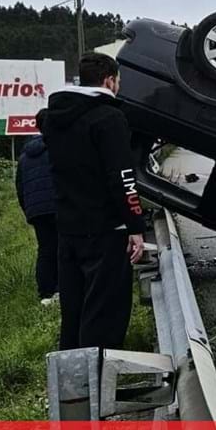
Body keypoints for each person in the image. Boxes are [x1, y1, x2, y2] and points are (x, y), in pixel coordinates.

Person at [37, 53, 146, 350]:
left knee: (73, 310)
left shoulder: (54, 118)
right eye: (118, 81)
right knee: (104, 311)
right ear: (110, 80)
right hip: (106, 230)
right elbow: (122, 177)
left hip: (68, 230)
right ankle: (98, 381)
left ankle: (73, 387)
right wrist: (135, 225)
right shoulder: (109, 117)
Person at [15, 135, 59, 305]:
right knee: (63, 247)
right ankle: (60, 288)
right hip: (57, 207)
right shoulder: (55, 151)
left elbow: (19, 188)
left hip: (36, 211)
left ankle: (45, 293)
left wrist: (28, 211)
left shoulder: (23, 158)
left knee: (45, 250)